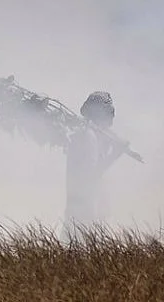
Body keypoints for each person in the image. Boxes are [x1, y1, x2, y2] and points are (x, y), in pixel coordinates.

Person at [63, 90, 127, 237]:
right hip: (86, 211)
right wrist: (115, 154)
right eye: (109, 112)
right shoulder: (88, 136)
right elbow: (90, 175)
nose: (112, 117)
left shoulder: (91, 135)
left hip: (87, 209)